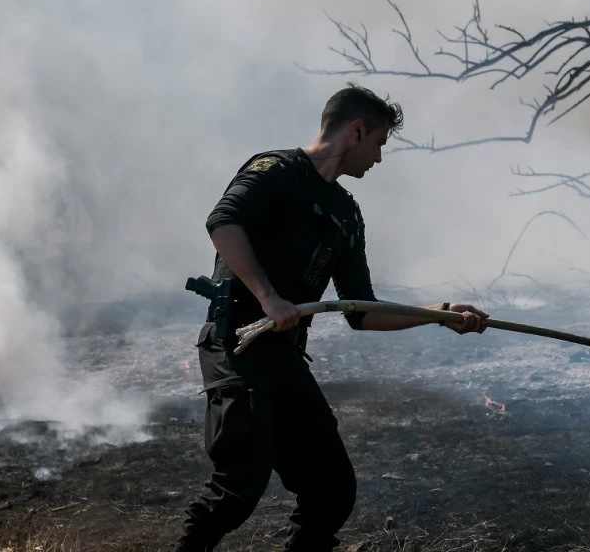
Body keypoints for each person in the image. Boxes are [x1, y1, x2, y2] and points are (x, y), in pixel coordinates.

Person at [175, 84, 490, 552]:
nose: (379, 159)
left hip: (283, 357)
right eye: (380, 143)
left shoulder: (346, 213)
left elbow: (360, 311)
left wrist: (438, 314)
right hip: (236, 346)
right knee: (239, 484)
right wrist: (268, 297)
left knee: (332, 488)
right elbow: (223, 222)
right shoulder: (275, 171)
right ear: (356, 131)